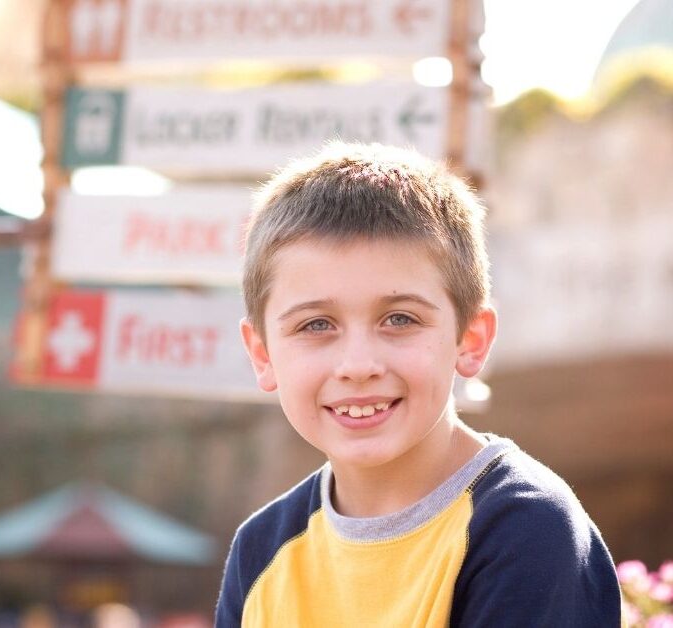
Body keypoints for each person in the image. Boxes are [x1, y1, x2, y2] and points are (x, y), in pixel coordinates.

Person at [216, 142, 621, 626]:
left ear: (470, 339)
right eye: (316, 325)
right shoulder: (260, 551)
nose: (358, 364)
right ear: (262, 354)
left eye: (400, 319)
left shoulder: (525, 531)